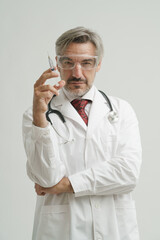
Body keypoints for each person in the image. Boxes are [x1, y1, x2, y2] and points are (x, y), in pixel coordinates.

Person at [22, 26, 142, 240]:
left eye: (86, 63)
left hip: (115, 229)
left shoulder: (121, 110)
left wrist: (66, 185)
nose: (77, 73)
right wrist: (41, 118)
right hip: (61, 231)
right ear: (57, 63)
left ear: (98, 64)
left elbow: (128, 173)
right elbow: (46, 178)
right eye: (68, 63)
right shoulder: (36, 114)